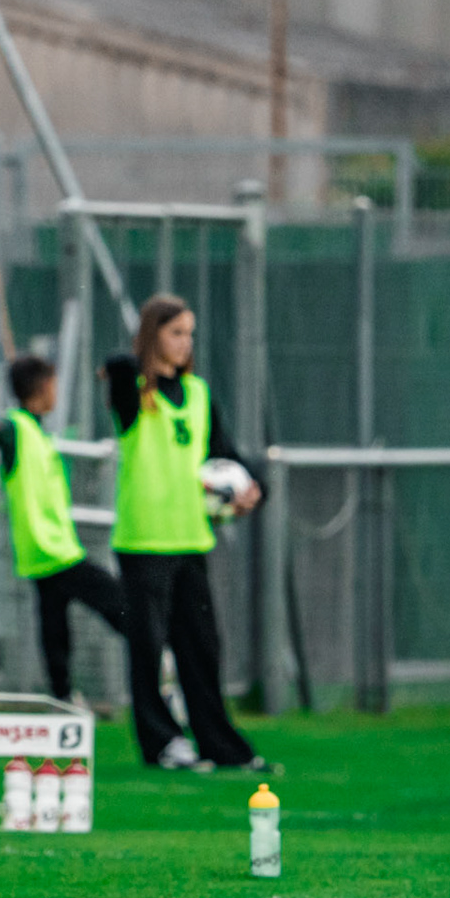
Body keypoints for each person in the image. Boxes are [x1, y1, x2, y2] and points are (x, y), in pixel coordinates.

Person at [102, 294, 270, 773]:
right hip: (142, 543)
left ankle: (220, 745)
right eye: (175, 332)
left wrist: (253, 487)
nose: (185, 342)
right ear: (153, 335)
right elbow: (115, 365)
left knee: (202, 650)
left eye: (189, 333)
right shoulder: (133, 390)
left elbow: (227, 453)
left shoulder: (197, 393)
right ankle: (163, 743)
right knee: (149, 652)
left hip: (191, 541)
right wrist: (140, 359)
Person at [0, 355, 127, 705]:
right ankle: (161, 660)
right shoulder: (16, 427)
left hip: (43, 551)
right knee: (120, 605)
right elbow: (0, 429)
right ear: (42, 387)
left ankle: (62, 696)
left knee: (54, 628)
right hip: (52, 549)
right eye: (53, 384)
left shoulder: (37, 430)